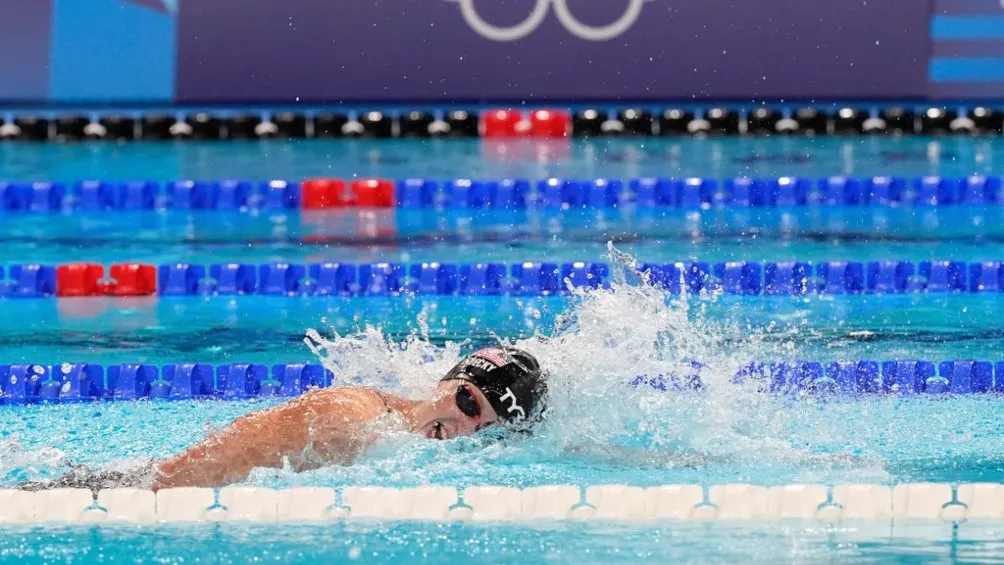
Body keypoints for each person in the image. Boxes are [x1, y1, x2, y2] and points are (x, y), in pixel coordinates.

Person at [18, 347, 547, 492]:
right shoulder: (352, 419)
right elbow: (204, 465)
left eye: (487, 428)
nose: (465, 427)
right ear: (447, 384)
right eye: (471, 404)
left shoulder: (394, 439)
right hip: (145, 493)